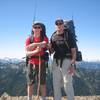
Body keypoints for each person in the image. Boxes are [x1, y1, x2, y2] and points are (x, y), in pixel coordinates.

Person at [49, 18, 77, 100]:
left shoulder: (68, 35)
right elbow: (52, 51)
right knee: (56, 83)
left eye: (60, 23)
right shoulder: (53, 36)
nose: (59, 25)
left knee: (67, 83)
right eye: (57, 23)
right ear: (55, 25)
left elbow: (73, 51)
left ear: (63, 25)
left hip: (67, 60)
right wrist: (49, 47)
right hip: (56, 61)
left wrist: (72, 65)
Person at [25, 21, 49, 100]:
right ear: (33, 29)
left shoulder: (44, 38)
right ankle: (30, 98)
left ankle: (43, 98)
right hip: (31, 62)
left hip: (41, 62)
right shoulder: (29, 39)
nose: (37, 29)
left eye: (39, 27)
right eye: (35, 27)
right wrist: (36, 50)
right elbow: (27, 53)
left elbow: (44, 44)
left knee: (42, 82)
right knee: (30, 83)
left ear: (41, 29)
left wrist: (32, 46)